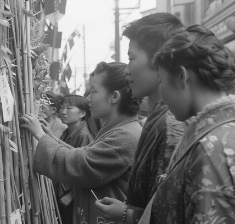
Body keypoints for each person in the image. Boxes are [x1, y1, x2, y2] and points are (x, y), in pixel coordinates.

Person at [144, 24, 235, 223]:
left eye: (160, 80)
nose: (161, 94)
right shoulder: (219, 137)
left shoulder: (216, 149)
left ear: (181, 76)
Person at [19, 61, 143, 224]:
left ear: (114, 97)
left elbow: (81, 165)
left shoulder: (126, 135)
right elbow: (85, 155)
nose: (88, 99)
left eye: (93, 92)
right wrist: (49, 137)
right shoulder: (120, 129)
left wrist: (41, 137)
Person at [94, 12, 187, 223]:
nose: (126, 70)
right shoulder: (158, 118)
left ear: (159, 60)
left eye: (131, 58)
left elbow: (169, 211)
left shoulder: (170, 125)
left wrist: (128, 214)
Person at [41, 94, 94, 224]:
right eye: (62, 107)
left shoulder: (83, 135)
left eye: (69, 108)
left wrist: (71, 195)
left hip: (71, 197)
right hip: (62, 193)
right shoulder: (67, 132)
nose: (63, 112)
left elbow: (84, 171)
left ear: (82, 113)